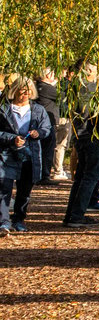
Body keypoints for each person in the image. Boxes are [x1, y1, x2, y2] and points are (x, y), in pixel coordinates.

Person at [1, 76, 53, 234]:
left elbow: (47, 128)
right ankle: (3, 223)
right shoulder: (3, 109)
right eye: (21, 92)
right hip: (6, 155)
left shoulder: (38, 110)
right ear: (14, 92)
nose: (24, 96)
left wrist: (38, 133)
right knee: (4, 188)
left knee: (24, 190)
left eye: (27, 92)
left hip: (30, 155)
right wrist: (11, 139)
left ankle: (19, 219)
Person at [63, 63, 99, 228]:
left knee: (81, 177)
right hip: (91, 136)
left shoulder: (75, 88)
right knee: (90, 177)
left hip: (81, 135)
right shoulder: (88, 89)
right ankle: (76, 215)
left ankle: (72, 215)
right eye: (93, 68)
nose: (95, 71)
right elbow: (90, 113)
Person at [34, 69, 61, 184]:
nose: (54, 74)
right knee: (48, 149)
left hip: (42, 122)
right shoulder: (46, 88)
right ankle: (44, 176)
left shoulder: (38, 86)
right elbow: (63, 96)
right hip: (47, 123)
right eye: (52, 72)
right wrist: (55, 85)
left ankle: (42, 175)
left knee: (44, 149)